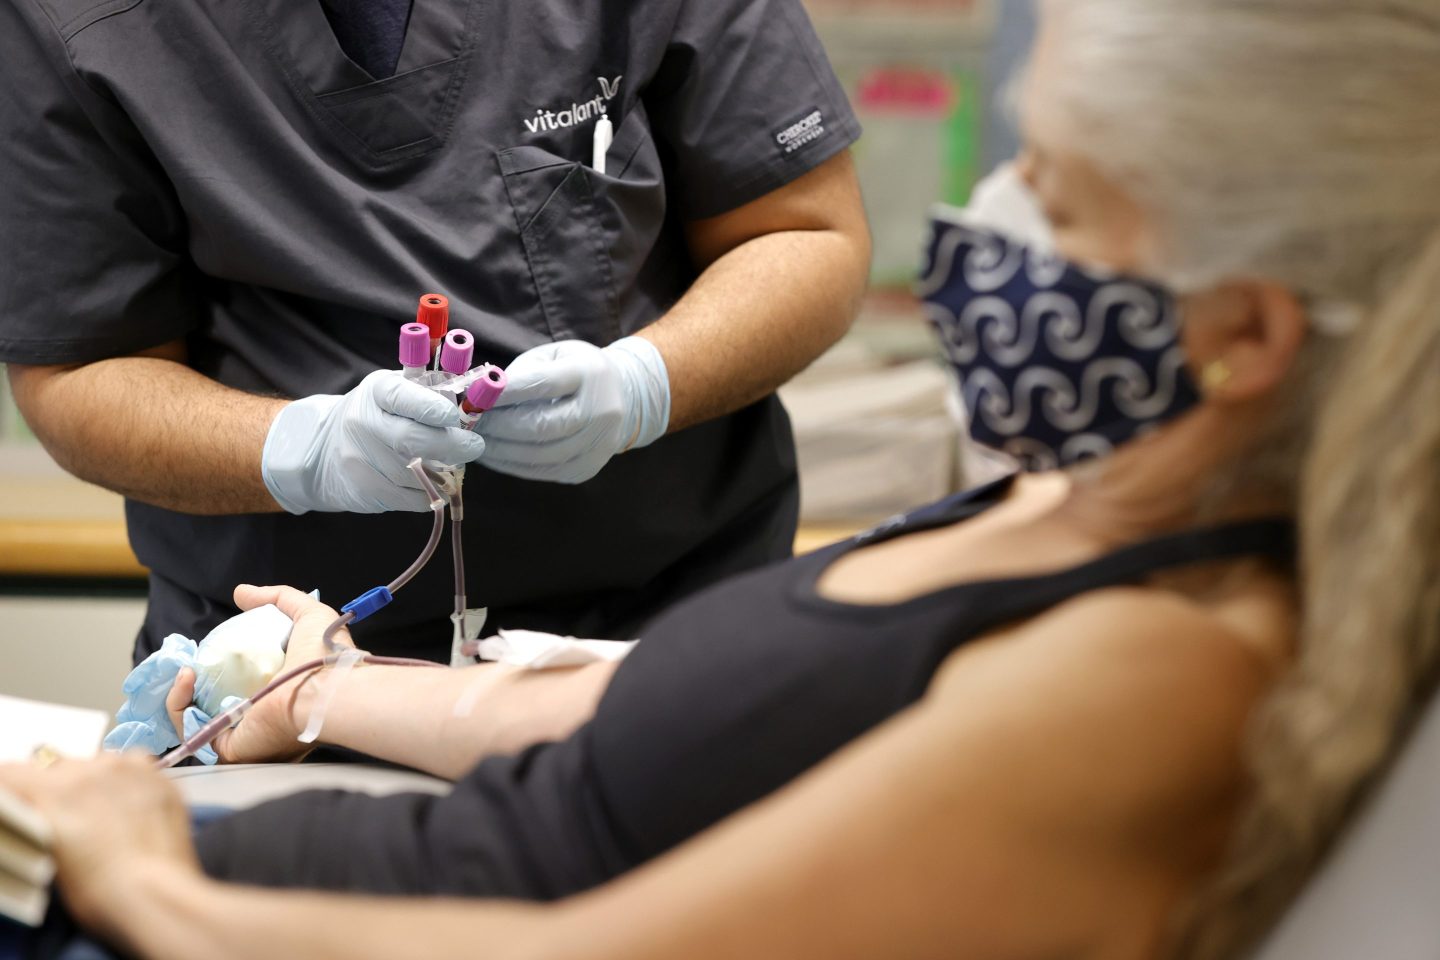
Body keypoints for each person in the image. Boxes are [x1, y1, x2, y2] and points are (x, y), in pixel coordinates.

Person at [5, 0, 1440, 957]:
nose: (979, 221)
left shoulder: (1157, 665)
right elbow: (678, 714)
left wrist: (148, 884)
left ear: (1245, 332)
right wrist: (315, 689)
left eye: (1051, 193)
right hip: (302, 766)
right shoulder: (1056, 515)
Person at [0, 0, 871, 665]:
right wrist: (306, 449)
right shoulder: (72, 21)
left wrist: (644, 382)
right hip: (287, 664)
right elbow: (83, 365)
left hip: (663, 634)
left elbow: (807, 233)